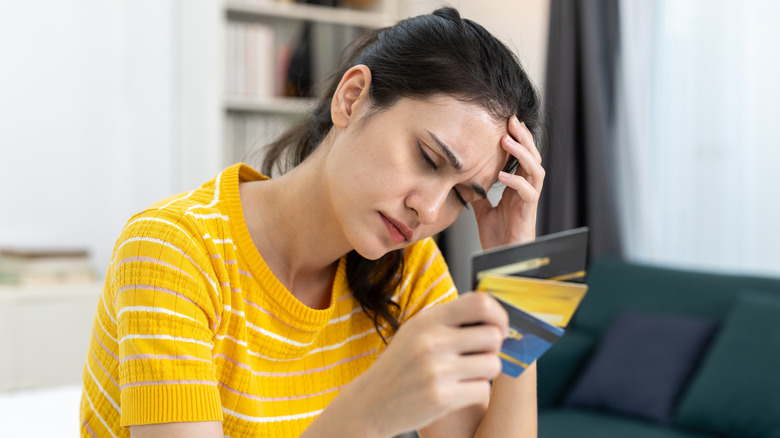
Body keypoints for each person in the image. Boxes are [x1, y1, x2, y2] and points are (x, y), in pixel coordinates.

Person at [80, 7, 544, 438]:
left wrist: (519, 271)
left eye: (462, 196)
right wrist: (368, 411)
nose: (430, 211)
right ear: (352, 98)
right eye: (427, 158)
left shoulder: (405, 265)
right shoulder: (172, 251)